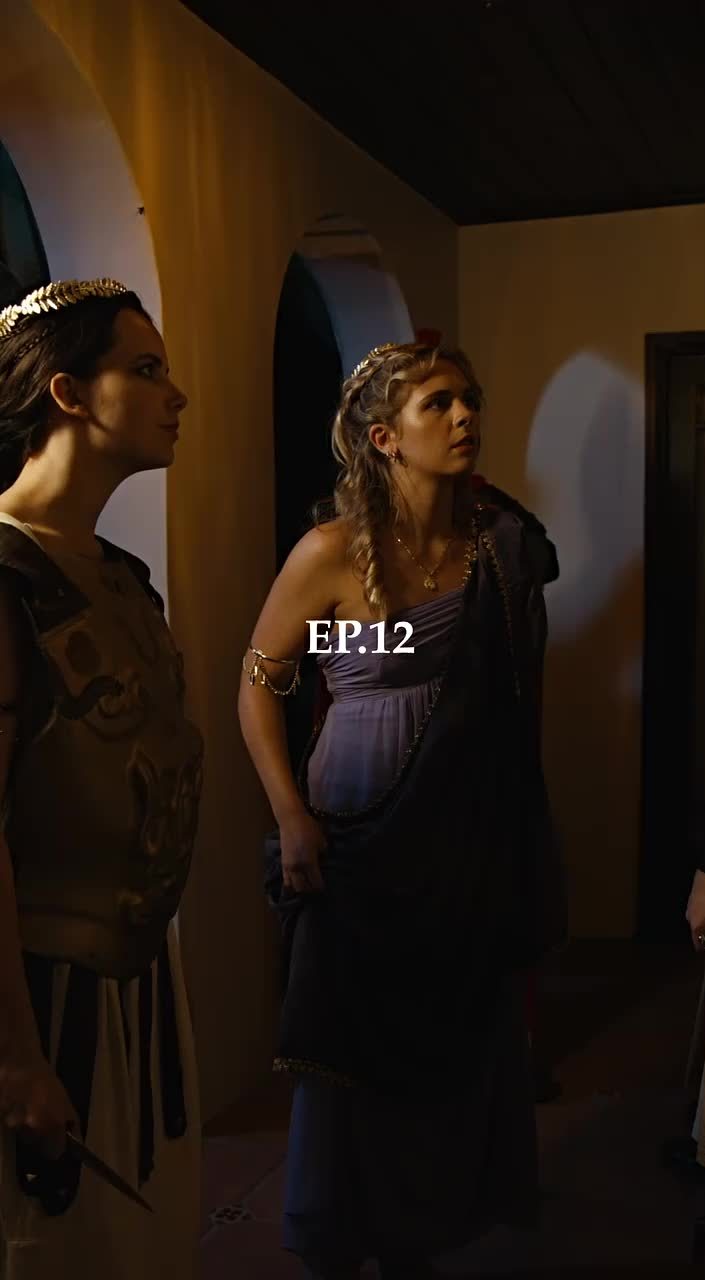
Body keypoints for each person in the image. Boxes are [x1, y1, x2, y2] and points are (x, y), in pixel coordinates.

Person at [238, 340, 565, 1279]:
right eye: (439, 403)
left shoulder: (495, 548)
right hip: (355, 825)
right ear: (385, 438)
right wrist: (291, 817)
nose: (465, 416)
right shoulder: (331, 554)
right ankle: (342, 1240)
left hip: (463, 828)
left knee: (452, 1037)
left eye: (470, 399)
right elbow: (259, 682)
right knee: (356, 1047)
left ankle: (420, 1235)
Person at [0, 279, 204, 1279]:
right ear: (70, 393)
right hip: (42, 996)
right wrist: (16, 1056)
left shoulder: (122, 576)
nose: (177, 393)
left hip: (137, 979)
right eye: (147, 369)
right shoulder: (7, 577)